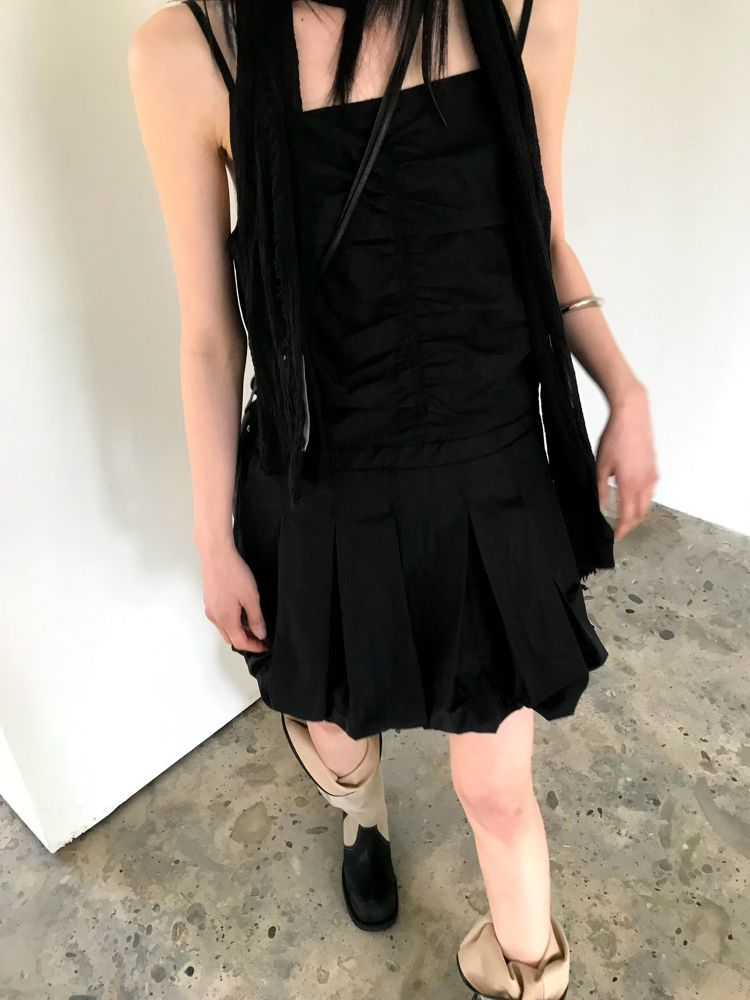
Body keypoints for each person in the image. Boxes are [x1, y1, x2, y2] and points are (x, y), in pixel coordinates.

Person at [129, 1, 658, 995]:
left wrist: (623, 388)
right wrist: (211, 534)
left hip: (486, 470)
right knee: (337, 726)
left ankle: (523, 970)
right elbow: (209, 330)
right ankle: (359, 813)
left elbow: (540, 233)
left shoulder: (528, 10)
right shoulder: (188, 51)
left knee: (498, 793)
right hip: (322, 480)